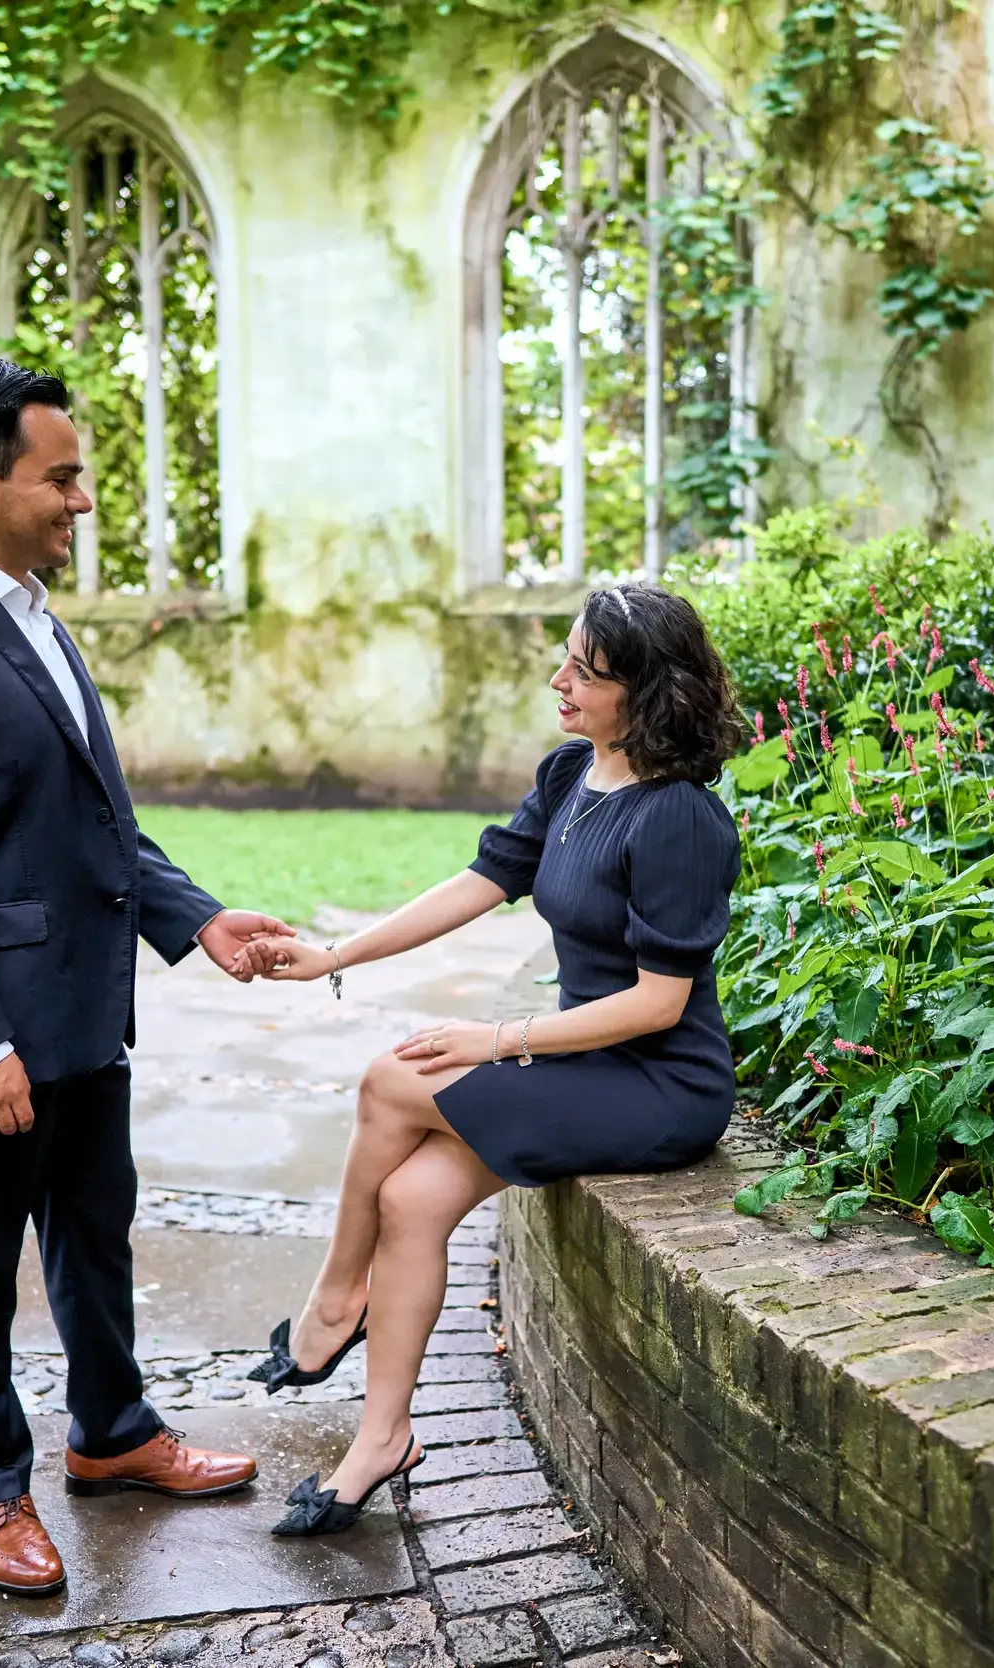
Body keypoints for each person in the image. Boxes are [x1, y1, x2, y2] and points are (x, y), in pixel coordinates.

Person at [0, 356, 292, 1597]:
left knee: (94, 1232)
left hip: (79, 1010)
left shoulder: (28, 610)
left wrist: (194, 921)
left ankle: (115, 1434)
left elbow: (84, 819)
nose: (81, 501)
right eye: (61, 477)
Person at [240, 582, 745, 1536]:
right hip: (586, 1065)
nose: (559, 682)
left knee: (394, 1078)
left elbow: (657, 1002)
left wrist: (496, 1040)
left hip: (659, 1083)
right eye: (563, 658)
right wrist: (333, 956)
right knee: (411, 1198)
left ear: (646, 692)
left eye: (584, 673)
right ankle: (382, 1437)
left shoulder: (677, 817)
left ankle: (333, 1301)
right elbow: (479, 882)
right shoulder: (571, 777)